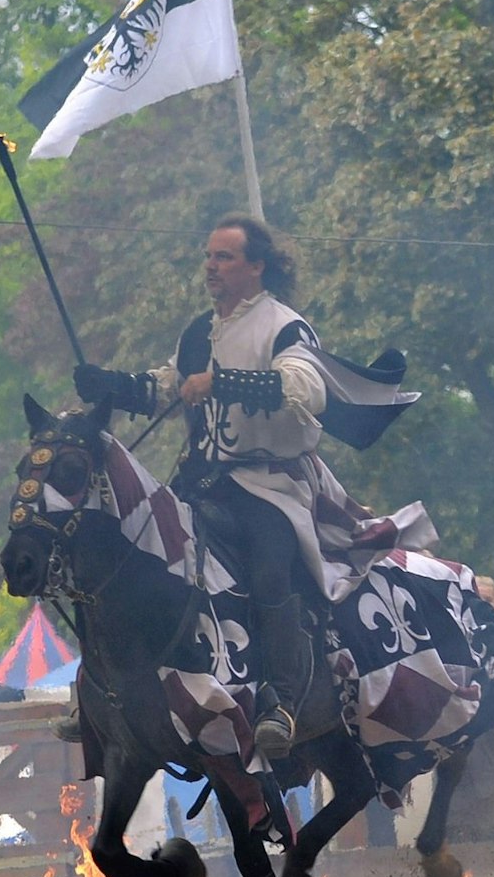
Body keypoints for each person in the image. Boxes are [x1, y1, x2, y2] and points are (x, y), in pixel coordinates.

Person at [71, 215, 405, 758]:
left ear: (257, 266)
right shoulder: (198, 333)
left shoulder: (286, 326)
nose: (211, 266)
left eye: (224, 257)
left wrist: (221, 381)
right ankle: (105, 691)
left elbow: (305, 387)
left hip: (271, 485)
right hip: (202, 482)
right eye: (208, 256)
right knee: (125, 548)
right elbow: (165, 387)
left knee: (270, 570)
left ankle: (283, 703)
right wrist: (107, 384)